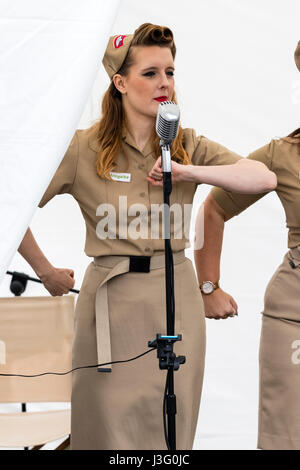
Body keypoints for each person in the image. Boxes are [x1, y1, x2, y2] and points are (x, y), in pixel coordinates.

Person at [17, 23, 276, 450]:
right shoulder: (82, 148)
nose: (164, 84)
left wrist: (188, 171)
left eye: (170, 72)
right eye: (150, 73)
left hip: (177, 300)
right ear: (120, 82)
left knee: (171, 429)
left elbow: (262, 178)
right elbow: (11, 203)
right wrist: (44, 270)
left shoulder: (186, 144)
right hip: (109, 305)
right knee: (104, 430)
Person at [194, 41, 300, 450]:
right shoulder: (280, 155)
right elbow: (212, 209)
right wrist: (208, 285)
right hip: (293, 316)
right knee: (286, 438)